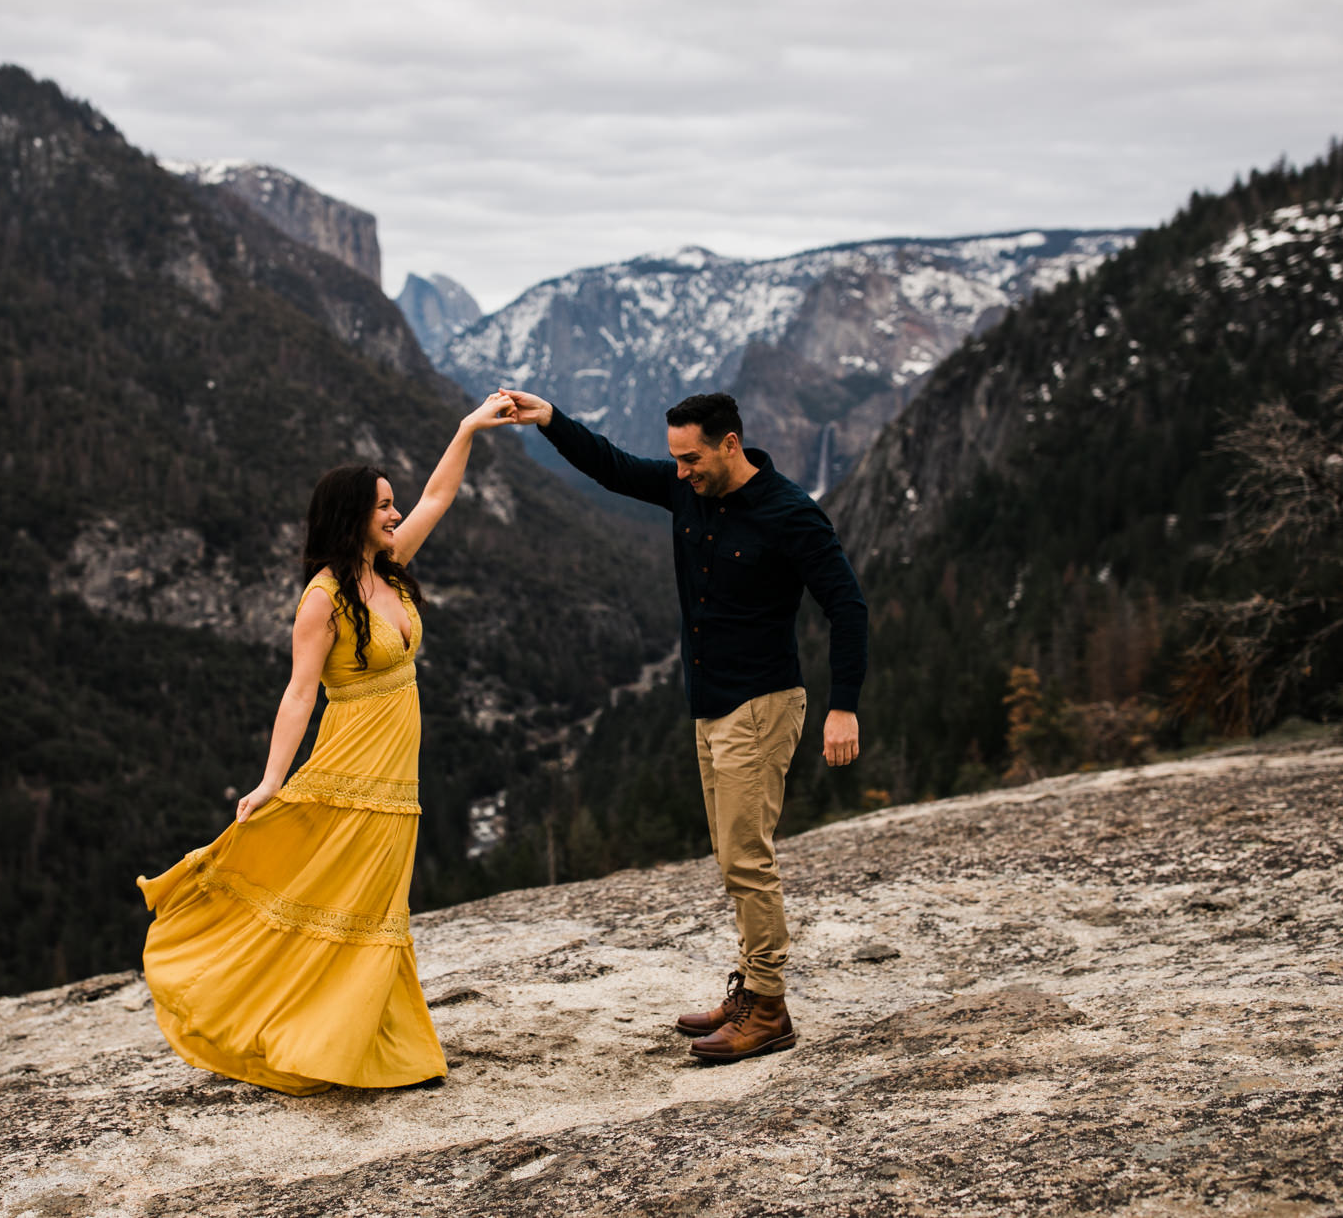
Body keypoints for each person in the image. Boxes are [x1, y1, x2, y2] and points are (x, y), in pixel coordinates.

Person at [135, 391, 516, 1095]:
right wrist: (272, 778)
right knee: (351, 903)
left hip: (396, 774)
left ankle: (378, 1041)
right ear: (351, 517)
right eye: (382, 507)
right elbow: (298, 693)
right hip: (351, 765)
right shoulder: (322, 599)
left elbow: (438, 494)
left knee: (381, 906)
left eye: (392, 505)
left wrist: (466, 428)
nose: (395, 514)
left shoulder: (391, 565)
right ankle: (329, 1039)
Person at [500, 387, 867, 1062]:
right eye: (674, 458)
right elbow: (610, 465)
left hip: (761, 703)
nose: (680, 471)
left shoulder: (790, 513)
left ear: (731, 443)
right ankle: (751, 989)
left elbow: (846, 604)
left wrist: (843, 704)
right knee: (732, 858)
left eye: (691, 457)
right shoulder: (689, 491)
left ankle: (769, 1008)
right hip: (712, 704)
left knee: (746, 858)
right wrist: (550, 420)